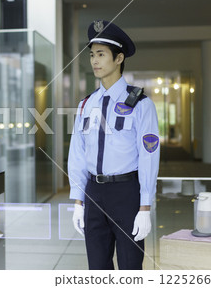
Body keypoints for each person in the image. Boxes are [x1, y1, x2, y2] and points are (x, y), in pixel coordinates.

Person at [68, 20, 160, 270]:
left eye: (101, 54)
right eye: (92, 55)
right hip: (93, 194)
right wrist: (78, 200)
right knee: (97, 269)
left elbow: (149, 156)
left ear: (119, 58)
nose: (95, 61)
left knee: (130, 267)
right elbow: (77, 153)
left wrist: (145, 205)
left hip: (126, 194)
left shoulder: (141, 104)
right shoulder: (86, 104)